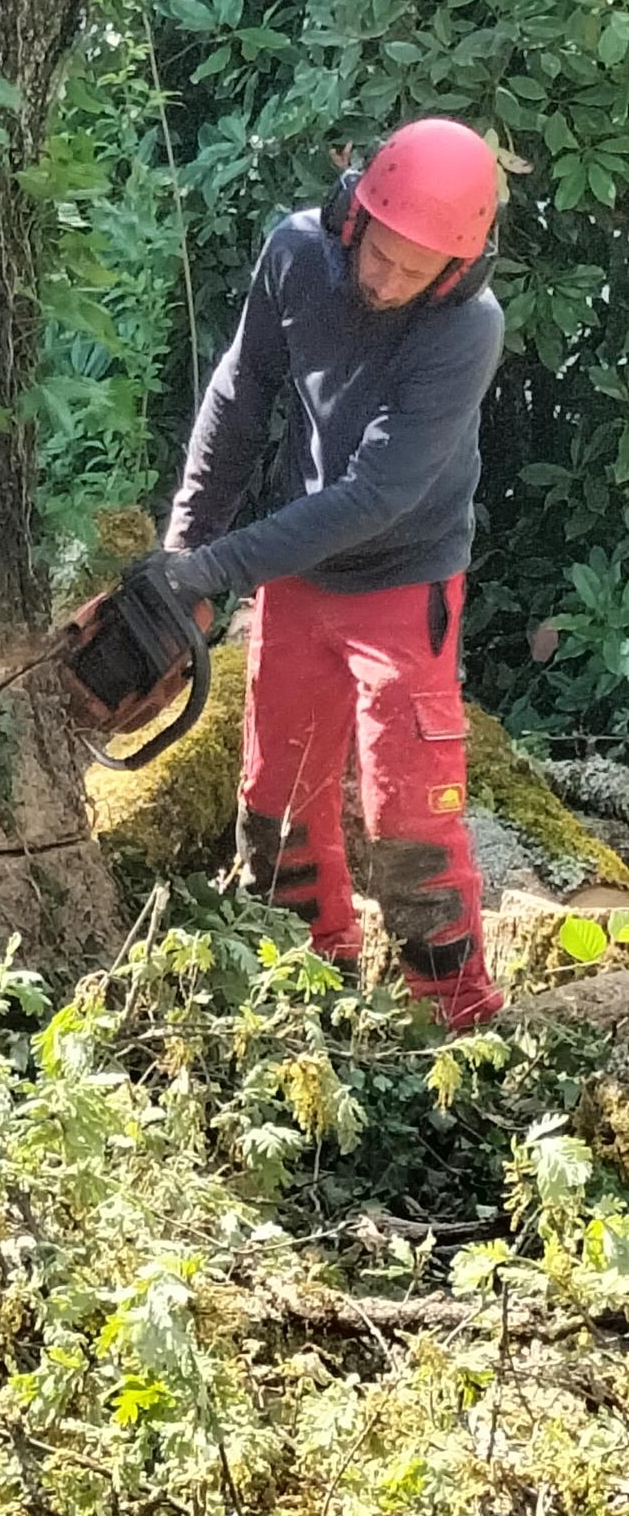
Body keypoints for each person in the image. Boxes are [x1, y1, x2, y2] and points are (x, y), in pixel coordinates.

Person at [159, 119, 506, 1030]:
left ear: (456, 272)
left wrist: (219, 566)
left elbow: (374, 495)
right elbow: (239, 398)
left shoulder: (466, 330)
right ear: (353, 213)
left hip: (402, 576)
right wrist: (183, 559)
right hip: (297, 574)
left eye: (413, 270)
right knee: (275, 805)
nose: (384, 280)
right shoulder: (297, 254)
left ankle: (456, 1024)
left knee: (410, 829)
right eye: (379, 253)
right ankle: (300, 990)